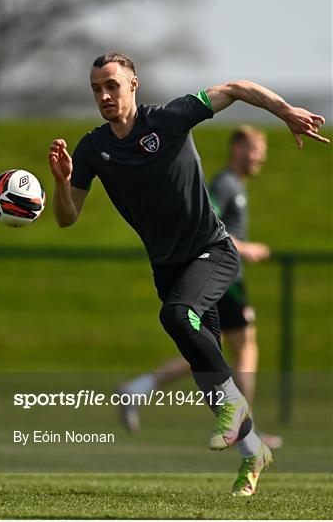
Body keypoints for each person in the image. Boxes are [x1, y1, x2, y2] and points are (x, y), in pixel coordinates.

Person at [48, 53, 329, 497]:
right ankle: (253, 452)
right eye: (96, 88)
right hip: (168, 267)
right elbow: (67, 218)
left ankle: (236, 420)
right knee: (209, 373)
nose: (104, 95)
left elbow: (236, 88)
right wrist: (63, 182)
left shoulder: (170, 118)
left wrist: (286, 111)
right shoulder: (90, 149)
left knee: (177, 317)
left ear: (133, 84)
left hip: (212, 251)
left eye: (112, 85)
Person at [119, 125, 283, 450]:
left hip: (220, 275)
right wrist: (244, 248)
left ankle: (140, 387)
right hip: (223, 277)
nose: (260, 156)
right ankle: (244, 427)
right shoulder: (225, 183)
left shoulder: (236, 184)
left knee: (208, 351)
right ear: (237, 148)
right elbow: (210, 223)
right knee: (245, 347)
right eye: (254, 148)